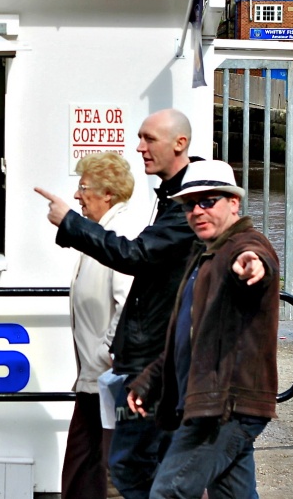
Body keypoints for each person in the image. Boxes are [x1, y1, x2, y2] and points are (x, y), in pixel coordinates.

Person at [35, 108, 199, 499]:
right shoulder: (167, 202)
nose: (139, 146)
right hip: (108, 373)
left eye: (148, 139)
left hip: (121, 372)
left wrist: (113, 354)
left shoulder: (166, 211)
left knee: (125, 465)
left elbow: (132, 271)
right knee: (102, 463)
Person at [126, 160, 280, 499]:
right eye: (189, 204)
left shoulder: (242, 246)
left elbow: (256, 258)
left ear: (234, 203)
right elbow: (190, 337)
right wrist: (151, 380)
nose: (197, 210)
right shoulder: (206, 255)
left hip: (222, 407)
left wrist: (253, 264)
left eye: (208, 201)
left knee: (168, 492)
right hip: (220, 405)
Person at [59, 152, 137, 499]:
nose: (77, 195)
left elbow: (128, 300)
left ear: (107, 194)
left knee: (100, 470)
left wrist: (108, 354)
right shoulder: (104, 233)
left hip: (107, 378)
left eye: (83, 187)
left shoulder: (119, 234)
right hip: (95, 378)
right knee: (85, 469)